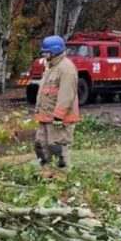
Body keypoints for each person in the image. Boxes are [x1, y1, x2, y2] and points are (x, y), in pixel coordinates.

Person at [34, 35, 80, 176]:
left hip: (59, 119)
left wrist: (59, 116)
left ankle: (62, 176)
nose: (44, 55)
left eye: (46, 52)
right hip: (45, 116)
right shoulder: (51, 67)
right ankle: (46, 174)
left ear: (55, 51)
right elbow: (44, 92)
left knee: (58, 147)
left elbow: (66, 95)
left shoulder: (67, 69)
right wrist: (38, 111)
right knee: (40, 145)